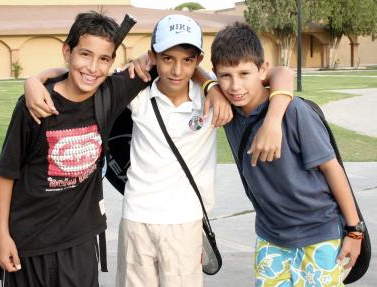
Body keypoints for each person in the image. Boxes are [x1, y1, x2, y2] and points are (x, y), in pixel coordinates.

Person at [23, 15, 294, 287]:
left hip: (185, 222)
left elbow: (281, 73)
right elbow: (89, 76)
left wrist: (218, 89)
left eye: (187, 60)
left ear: (199, 60)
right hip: (137, 218)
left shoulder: (215, 95)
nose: (177, 69)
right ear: (153, 57)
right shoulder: (138, 93)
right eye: (167, 59)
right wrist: (35, 79)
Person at [0, 11, 159, 287]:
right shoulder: (35, 105)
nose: (93, 67)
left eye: (104, 59)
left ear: (111, 62)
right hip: (28, 244)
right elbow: (6, 173)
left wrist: (210, 86)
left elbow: (172, 58)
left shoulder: (110, 92)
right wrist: (2, 235)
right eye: (85, 54)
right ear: (67, 52)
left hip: (80, 244)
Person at [212, 22, 363, 286]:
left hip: (319, 233)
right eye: (225, 76)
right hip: (271, 237)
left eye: (244, 73)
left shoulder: (294, 112)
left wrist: (354, 231)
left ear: (262, 70)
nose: (235, 85)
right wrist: (212, 89)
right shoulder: (229, 112)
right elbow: (196, 74)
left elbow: (332, 168)